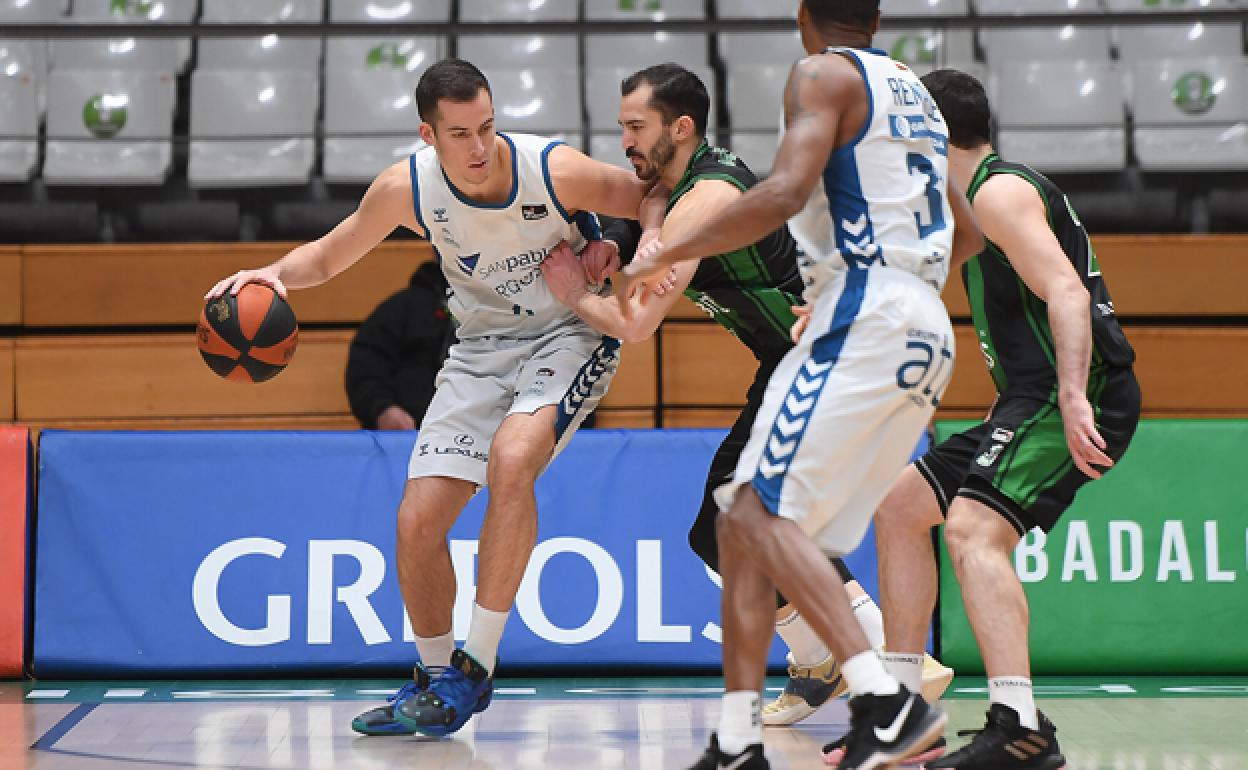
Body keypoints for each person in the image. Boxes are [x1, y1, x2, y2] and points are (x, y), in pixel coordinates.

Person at [205, 58, 659, 739]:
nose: (479, 148)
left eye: (487, 127)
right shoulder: (405, 189)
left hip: (569, 334)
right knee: (417, 523)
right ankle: (433, 678)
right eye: (459, 134)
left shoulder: (549, 168)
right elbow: (329, 257)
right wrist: (271, 273)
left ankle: (474, 667)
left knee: (512, 463)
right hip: (478, 352)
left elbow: (651, 193)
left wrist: (623, 244)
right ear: (428, 134)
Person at [617, 2, 983, 768]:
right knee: (741, 522)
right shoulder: (911, 89)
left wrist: (662, 251)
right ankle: (740, 737)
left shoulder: (821, 72)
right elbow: (969, 230)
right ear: (877, 15)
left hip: (866, 317)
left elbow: (783, 193)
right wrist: (899, 286)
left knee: (750, 515)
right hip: (923, 325)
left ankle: (886, 704)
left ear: (802, 15)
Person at [539, 62, 953, 730]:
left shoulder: (707, 199)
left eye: (636, 128)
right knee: (718, 531)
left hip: (834, 359)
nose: (626, 142)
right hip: (790, 359)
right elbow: (652, 204)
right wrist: (636, 227)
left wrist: (572, 294)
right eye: (622, 128)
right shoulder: (678, 185)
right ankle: (821, 659)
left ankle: (891, 664)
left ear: (681, 127)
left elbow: (637, 325)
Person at [861, 68, 1140, 770]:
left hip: (1074, 391)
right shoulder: (966, 207)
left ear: (930, 131)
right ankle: (903, 718)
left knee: (971, 531)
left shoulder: (1001, 192)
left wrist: (1073, 397)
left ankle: (1020, 728)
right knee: (898, 508)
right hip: (1027, 397)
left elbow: (1068, 296)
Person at [345, 261, 453, 431]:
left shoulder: (497, 314)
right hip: (405, 437)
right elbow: (365, 368)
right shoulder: (402, 307)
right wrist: (383, 409)